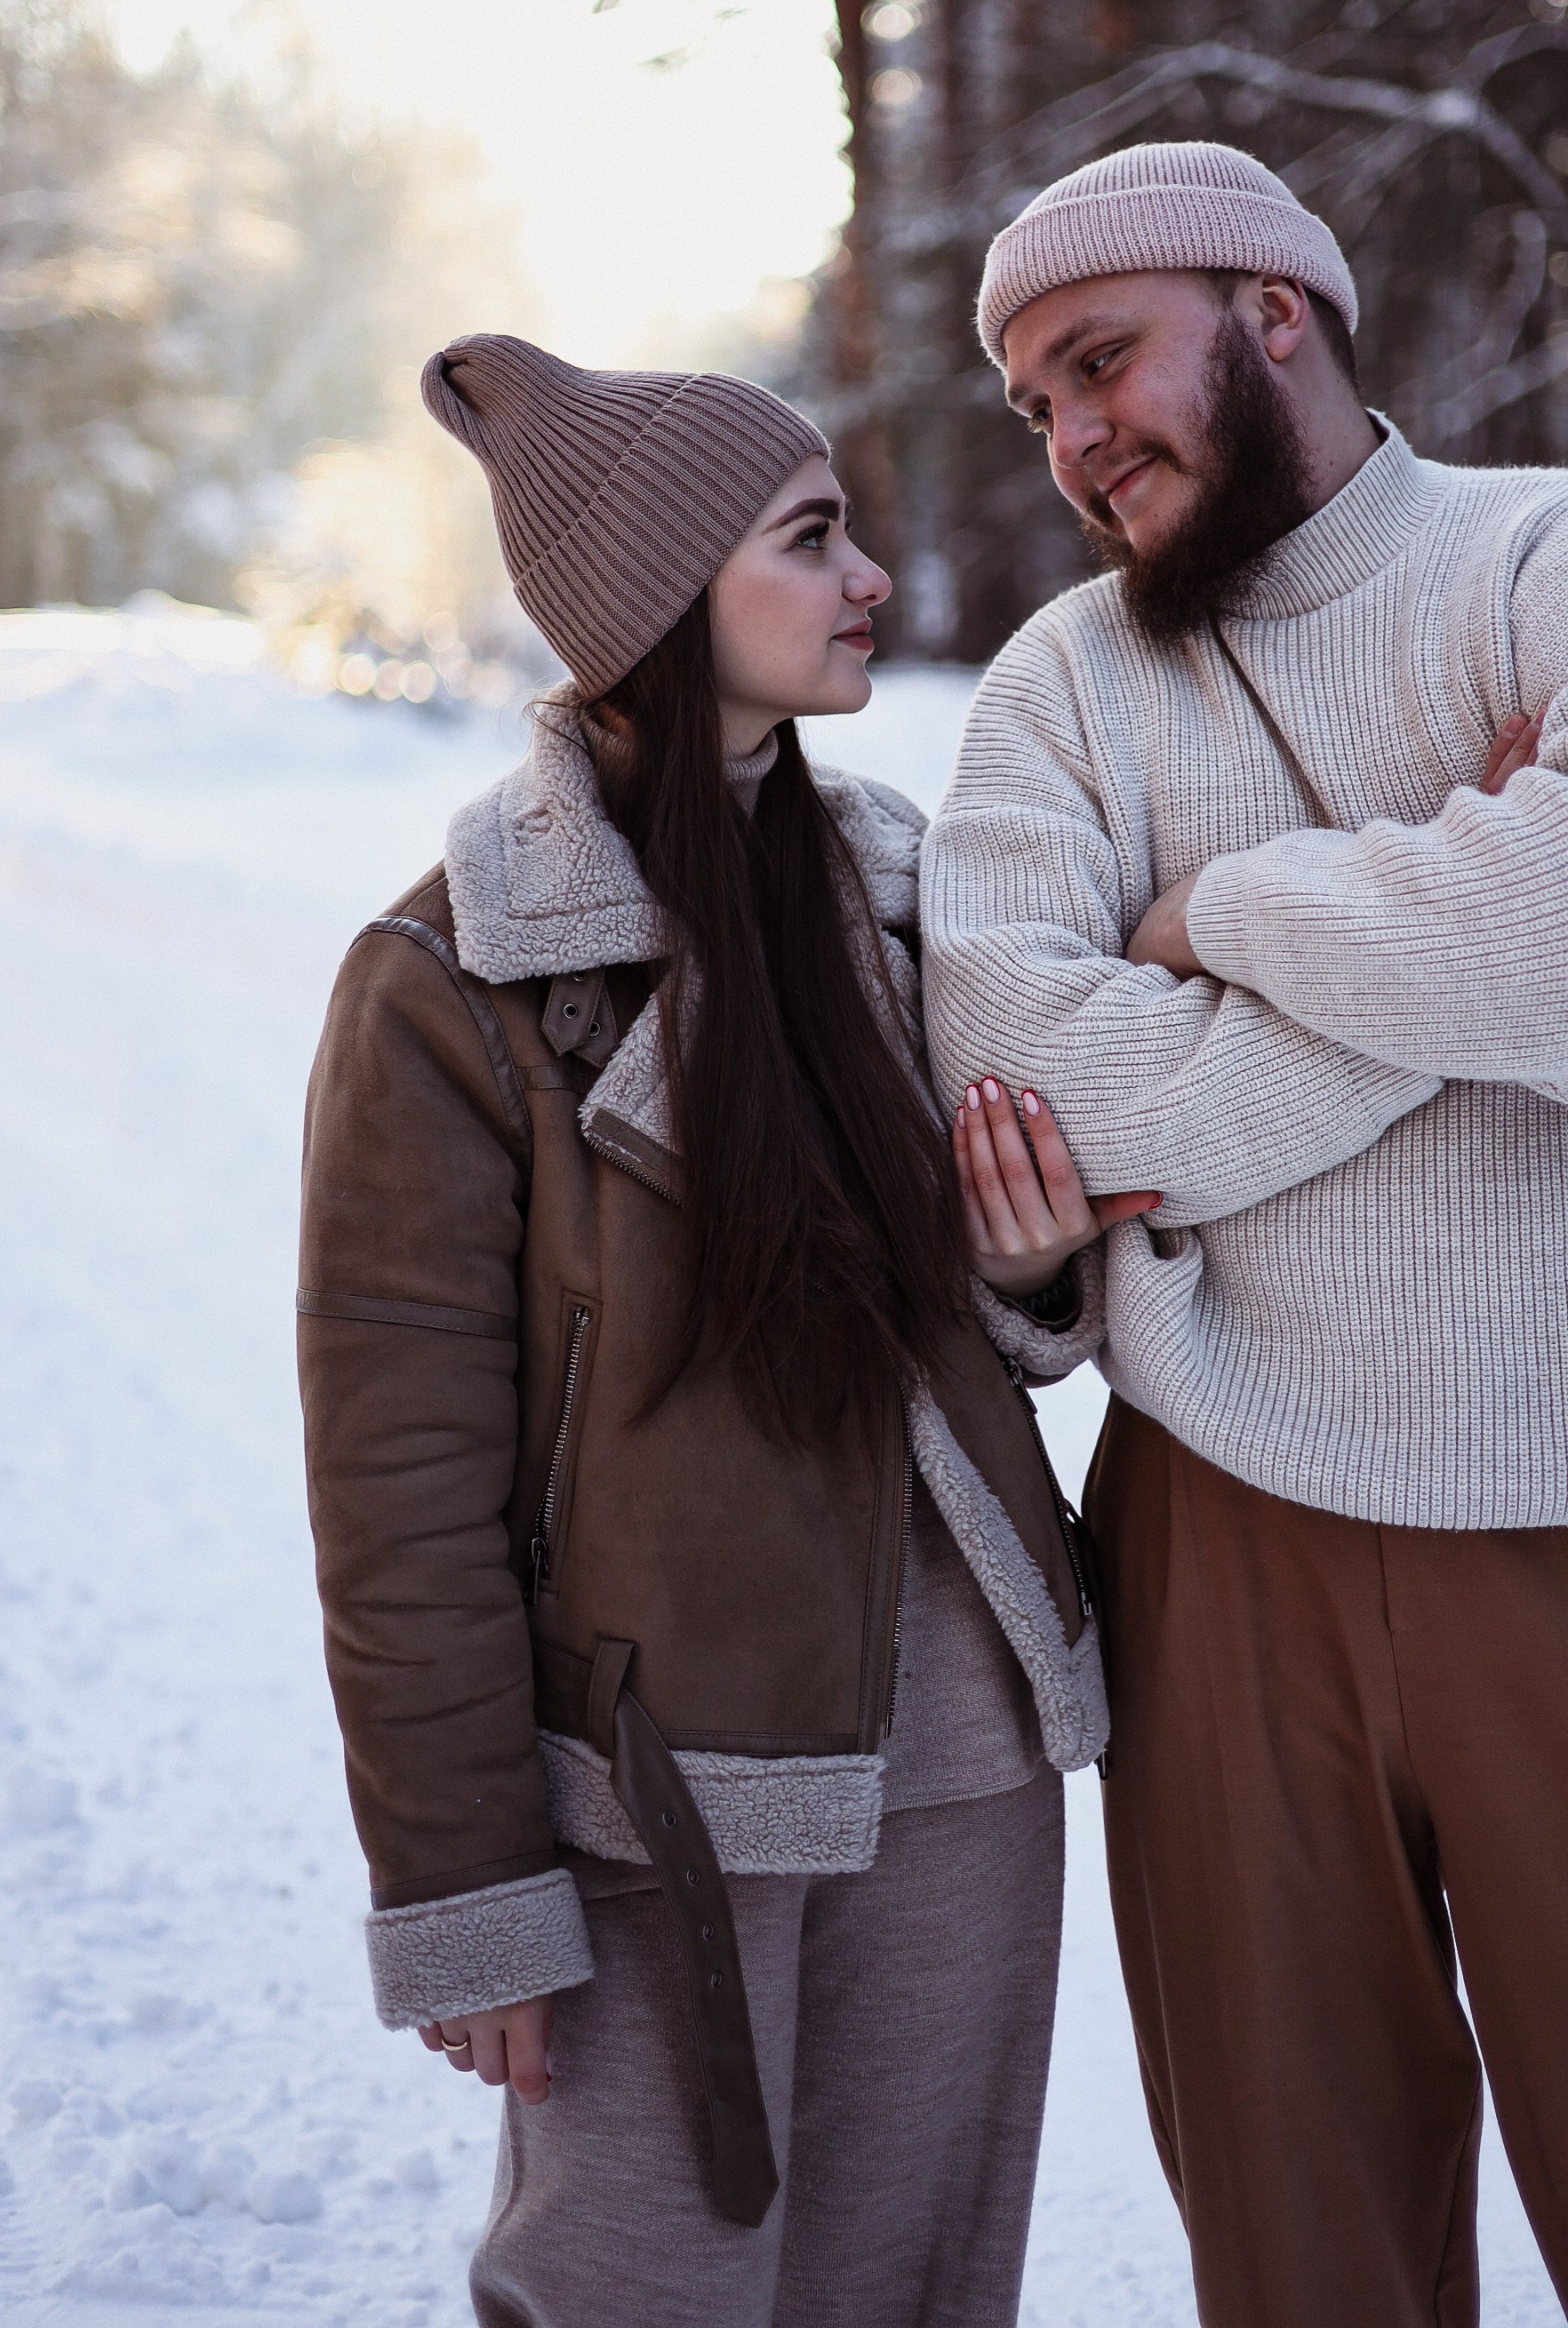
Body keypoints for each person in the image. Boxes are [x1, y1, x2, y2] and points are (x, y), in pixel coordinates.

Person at [919, 141, 1568, 2328]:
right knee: (1302, 2256)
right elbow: (1020, 1052)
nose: (1077, 441)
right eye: (1035, 408)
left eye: (1102, 362)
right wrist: (1454, 968)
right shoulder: (1059, 690)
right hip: (1217, 1553)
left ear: (1272, 314)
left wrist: (1213, 922)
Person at [296, 335, 1154, 2328]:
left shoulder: (902, 896)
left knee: (921, 2282)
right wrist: (466, 1893)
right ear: (668, 600)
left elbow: (985, 1320)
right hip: (655, 1783)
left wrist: (1028, 1276)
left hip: (964, 1743)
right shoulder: (451, 988)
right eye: (811, 536)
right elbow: (397, 1492)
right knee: (641, 2284)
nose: (868, 579)